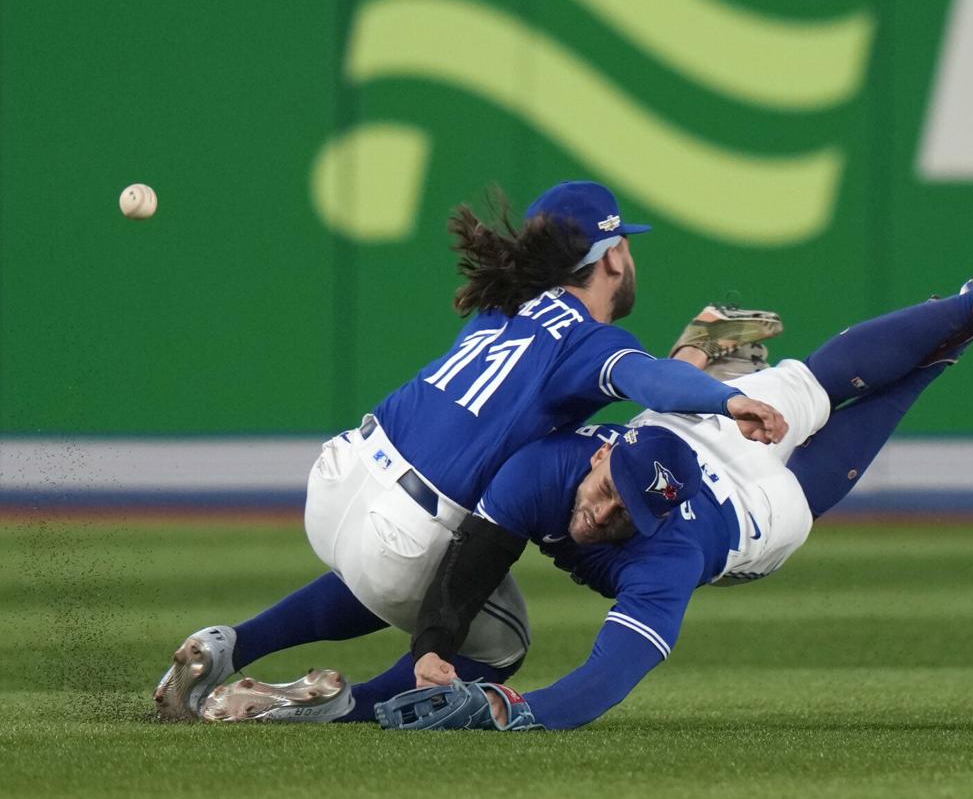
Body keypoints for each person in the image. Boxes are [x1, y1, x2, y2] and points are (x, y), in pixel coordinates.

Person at [358, 229, 973, 731]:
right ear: (597, 454)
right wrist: (434, 646)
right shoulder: (549, 469)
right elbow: (471, 566)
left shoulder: (667, 552)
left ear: (654, 515)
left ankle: (967, 317)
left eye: (621, 511)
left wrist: (516, 708)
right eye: (608, 487)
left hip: (755, 506)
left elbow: (608, 673)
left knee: (875, 389)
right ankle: (970, 307)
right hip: (701, 425)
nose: (603, 512)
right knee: (814, 378)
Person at [152, 180, 788, 722]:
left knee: (401, 575)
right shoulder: (587, 342)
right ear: (614, 256)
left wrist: (697, 352)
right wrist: (725, 399)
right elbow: (650, 382)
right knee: (498, 643)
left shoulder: (499, 312)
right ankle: (338, 708)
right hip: (406, 526)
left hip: (341, 477)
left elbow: (653, 380)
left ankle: (230, 645)